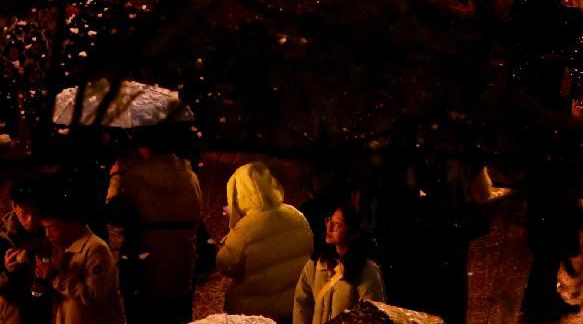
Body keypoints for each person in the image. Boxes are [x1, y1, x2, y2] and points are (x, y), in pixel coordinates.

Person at [105, 132, 205, 324]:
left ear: (146, 146)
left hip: (144, 273)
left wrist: (116, 179)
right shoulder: (190, 177)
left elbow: (115, 215)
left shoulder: (133, 179)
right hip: (181, 270)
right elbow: (196, 217)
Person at [216, 164, 314, 321]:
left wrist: (234, 229)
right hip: (295, 305)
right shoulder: (296, 215)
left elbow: (225, 265)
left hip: (256, 313)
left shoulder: (245, 229)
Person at [36, 196, 125, 324]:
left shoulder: (96, 249)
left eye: (53, 228)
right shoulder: (60, 247)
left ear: (72, 224)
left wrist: (57, 276)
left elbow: (93, 297)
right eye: (45, 228)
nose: (47, 234)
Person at [292, 202, 384, 324]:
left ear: (353, 233)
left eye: (337, 224)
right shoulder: (316, 264)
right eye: (329, 220)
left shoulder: (367, 271)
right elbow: (302, 303)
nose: (329, 227)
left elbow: (371, 316)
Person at [0, 183, 47, 324]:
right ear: (13, 206)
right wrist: (7, 272)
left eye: (36, 213)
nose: (31, 220)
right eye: (24, 213)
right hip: (13, 316)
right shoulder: (3, 238)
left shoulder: (52, 232)